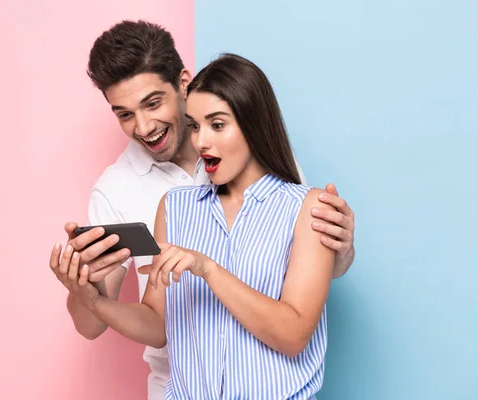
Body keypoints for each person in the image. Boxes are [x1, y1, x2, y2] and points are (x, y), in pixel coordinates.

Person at [49, 21, 356, 400]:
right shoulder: (134, 195)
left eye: (152, 103)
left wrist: (340, 252)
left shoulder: (287, 185)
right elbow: (137, 322)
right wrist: (86, 293)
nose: (143, 126)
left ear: (182, 83)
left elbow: (306, 278)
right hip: (177, 385)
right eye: (124, 114)